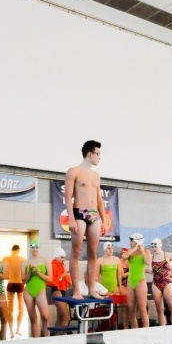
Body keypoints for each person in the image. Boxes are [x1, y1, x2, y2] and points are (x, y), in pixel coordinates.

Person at [65, 140, 105, 300]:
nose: (100, 157)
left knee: (93, 253)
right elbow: (67, 196)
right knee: (76, 251)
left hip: (94, 214)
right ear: (90, 154)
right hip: (79, 212)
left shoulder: (96, 175)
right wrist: (71, 219)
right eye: (98, 154)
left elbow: (100, 199)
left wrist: (103, 219)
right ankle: (76, 290)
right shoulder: (73, 171)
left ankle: (92, 289)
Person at [23, 241, 53, 338]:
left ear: (39, 248)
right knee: (33, 319)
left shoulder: (45, 261)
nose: (35, 249)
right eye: (33, 247)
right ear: (30, 249)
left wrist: (39, 273)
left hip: (40, 290)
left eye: (36, 247)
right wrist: (30, 272)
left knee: (45, 317)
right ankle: (36, 342)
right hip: (28, 291)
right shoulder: (24, 262)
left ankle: (46, 340)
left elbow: (50, 279)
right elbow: (23, 281)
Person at [148, 238, 172, 325]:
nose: (154, 248)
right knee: (160, 309)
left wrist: (171, 270)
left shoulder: (167, 255)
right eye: (152, 246)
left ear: (160, 245)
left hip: (167, 282)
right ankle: (163, 328)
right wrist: (152, 272)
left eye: (155, 246)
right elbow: (142, 267)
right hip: (156, 283)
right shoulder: (151, 257)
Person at [125, 234, 151, 329]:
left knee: (143, 310)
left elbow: (148, 262)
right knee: (131, 311)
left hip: (140, 282)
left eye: (131, 241)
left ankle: (146, 333)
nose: (129, 243)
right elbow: (124, 256)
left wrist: (142, 250)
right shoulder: (130, 252)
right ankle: (134, 333)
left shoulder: (146, 251)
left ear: (137, 241)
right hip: (130, 282)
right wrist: (135, 248)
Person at [2, 244, 25, 337]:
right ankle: (18, 329)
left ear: (12, 250)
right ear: (18, 250)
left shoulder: (6, 258)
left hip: (11, 283)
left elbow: (4, 272)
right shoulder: (22, 259)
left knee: (10, 308)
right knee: (21, 308)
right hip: (19, 283)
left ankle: (11, 332)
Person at [48, 247, 71, 329]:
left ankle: (57, 337)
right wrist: (63, 276)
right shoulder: (52, 265)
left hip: (62, 292)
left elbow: (66, 280)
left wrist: (65, 273)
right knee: (67, 317)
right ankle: (63, 338)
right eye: (62, 257)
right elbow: (51, 281)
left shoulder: (61, 265)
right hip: (56, 292)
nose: (64, 259)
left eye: (64, 257)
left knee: (60, 317)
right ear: (56, 257)